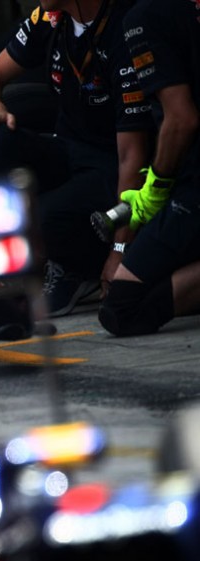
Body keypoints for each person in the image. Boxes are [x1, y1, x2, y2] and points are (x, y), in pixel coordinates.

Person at [0, 0, 152, 318]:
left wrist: (120, 250)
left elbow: (133, 156)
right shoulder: (49, 18)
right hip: (68, 149)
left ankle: (76, 270)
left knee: (44, 216)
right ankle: (34, 263)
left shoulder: (124, 27)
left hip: (115, 165)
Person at [97, 0, 200, 336]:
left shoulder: (143, 16)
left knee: (122, 311)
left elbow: (182, 119)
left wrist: (154, 190)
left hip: (193, 185)